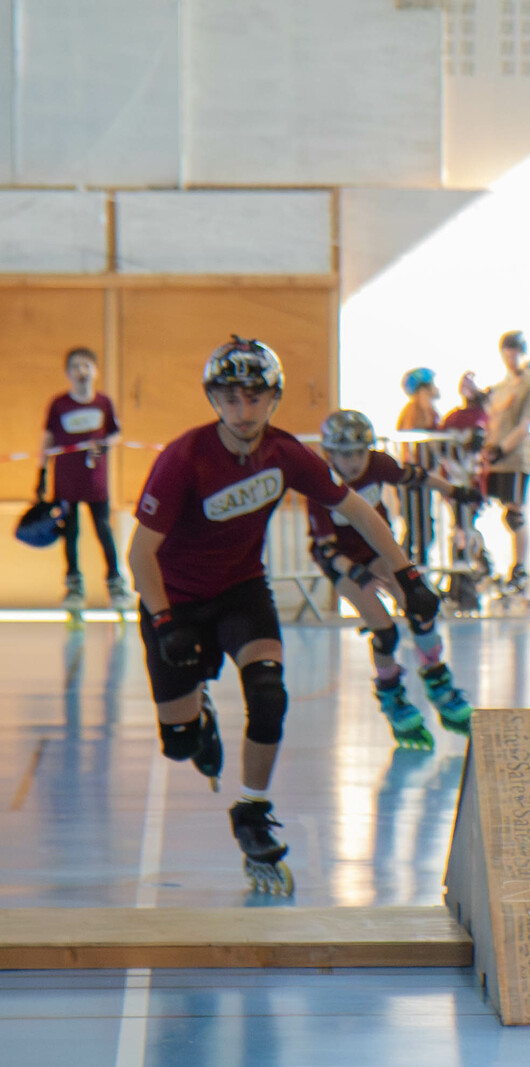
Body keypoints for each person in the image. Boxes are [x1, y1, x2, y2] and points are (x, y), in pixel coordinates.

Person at [127, 337, 441, 894]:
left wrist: (407, 575)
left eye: (255, 398)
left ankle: (252, 811)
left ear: (273, 399)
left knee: (269, 695)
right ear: (214, 400)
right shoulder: (183, 459)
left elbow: (356, 509)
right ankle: (198, 717)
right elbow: (139, 554)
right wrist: (164, 622)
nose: (243, 412)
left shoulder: (285, 453)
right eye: (231, 399)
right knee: (180, 746)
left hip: (241, 591)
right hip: (176, 601)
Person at [309, 410, 479, 747]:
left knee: (421, 608)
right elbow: (326, 550)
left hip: (376, 550)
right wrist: (356, 572)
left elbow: (416, 476)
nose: (354, 462)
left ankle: (437, 680)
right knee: (384, 633)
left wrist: (455, 491)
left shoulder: (376, 464)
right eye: (345, 455)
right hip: (343, 561)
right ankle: (392, 695)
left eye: (359, 453)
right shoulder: (320, 483)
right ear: (329, 454)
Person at [38, 347, 132, 610]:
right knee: (70, 532)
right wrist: (41, 473)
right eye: (76, 367)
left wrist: (105, 444)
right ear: (67, 373)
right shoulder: (59, 405)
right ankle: (74, 587)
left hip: (95, 482)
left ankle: (115, 583)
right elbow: (47, 440)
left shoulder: (103, 403)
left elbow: (116, 433)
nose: (82, 371)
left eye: (86, 366)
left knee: (103, 529)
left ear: (95, 371)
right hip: (66, 482)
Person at [484, 330, 530, 596]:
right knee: (479, 508)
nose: (512, 358)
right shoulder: (502, 386)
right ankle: (483, 564)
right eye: (508, 353)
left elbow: (524, 425)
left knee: (514, 514)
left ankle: (520, 570)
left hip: (516, 458)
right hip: (495, 460)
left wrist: (502, 448)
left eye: (516, 352)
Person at [437, 373, 493, 612]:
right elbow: (440, 445)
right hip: (455, 480)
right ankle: (463, 579)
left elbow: (480, 449)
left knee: (465, 526)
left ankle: (470, 575)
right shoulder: (455, 417)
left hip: (470, 481)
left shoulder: (482, 417)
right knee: (461, 527)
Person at [396, 367, 442, 565]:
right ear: (423, 388)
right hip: (413, 476)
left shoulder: (429, 411)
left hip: (424, 475)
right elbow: (410, 444)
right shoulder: (414, 410)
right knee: (417, 527)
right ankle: (407, 567)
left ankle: (416, 565)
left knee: (424, 527)